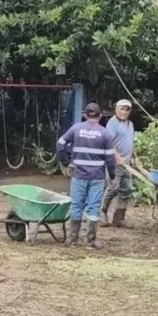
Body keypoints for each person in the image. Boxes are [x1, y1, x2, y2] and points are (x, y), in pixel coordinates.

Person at [56, 102, 116, 249]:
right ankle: (91, 241)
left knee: (76, 206)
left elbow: (60, 144)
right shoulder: (105, 133)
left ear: (85, 115)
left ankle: (72, 240)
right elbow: (110, 158)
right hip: (97, 177)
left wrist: (66, 162)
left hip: (78, 175)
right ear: (100, 116)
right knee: (94, 208)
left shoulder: (76, 128)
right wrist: (112, 175)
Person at [102, 99, 135, 228]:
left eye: (127, 110)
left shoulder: (130, 124)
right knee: (112, 188)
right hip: (114, 162)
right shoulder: (112, 123)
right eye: (122, 109)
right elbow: (108, 142)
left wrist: (135, 157)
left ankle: (119, 218)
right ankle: (101, 213)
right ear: (116, 108)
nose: (124, 112)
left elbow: (131, 141)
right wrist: (117, 157)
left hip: (126, 163)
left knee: (126, 189)